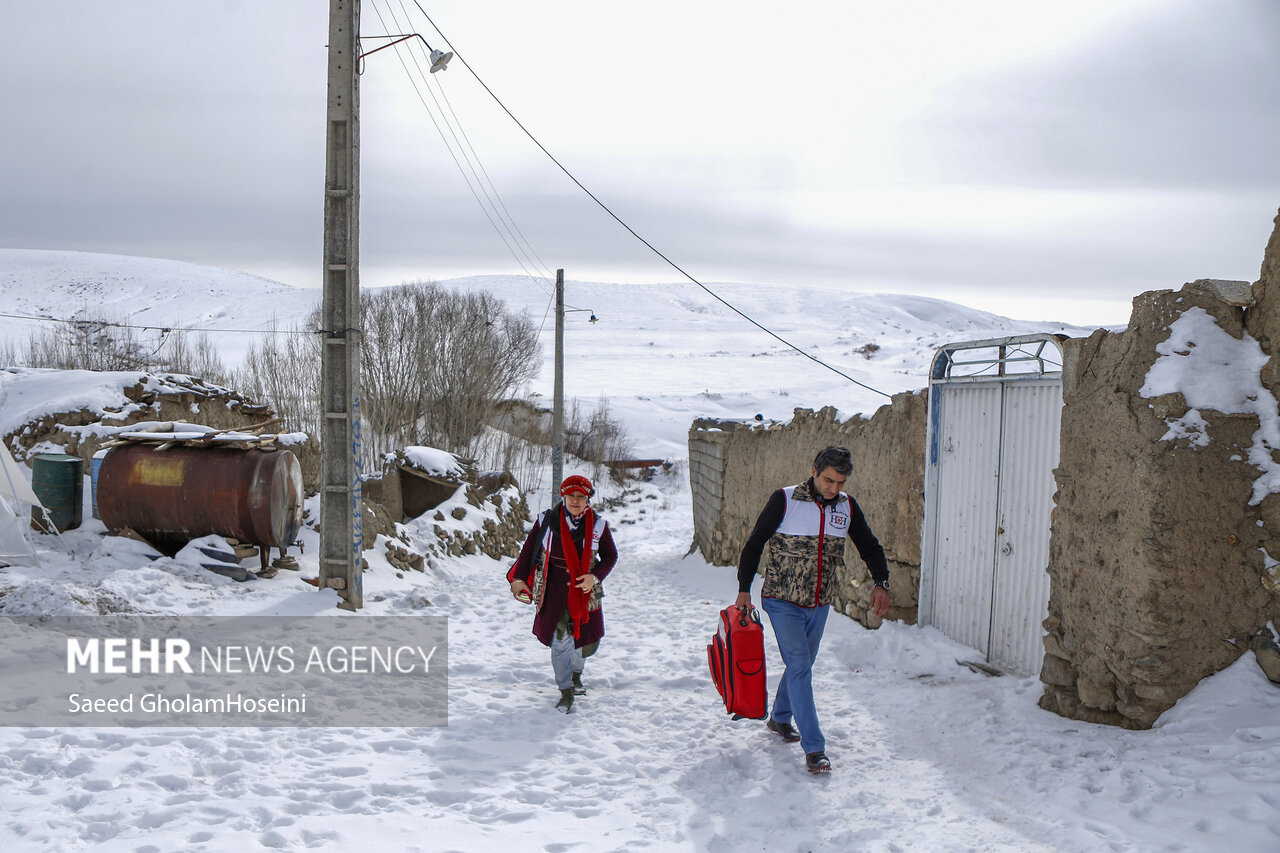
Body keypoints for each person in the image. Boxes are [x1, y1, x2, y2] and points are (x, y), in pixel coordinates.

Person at [735, 445, 890, 773]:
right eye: (829, 480)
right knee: (801, 665)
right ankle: (815, 749)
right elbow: (754, 543)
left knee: (800, 666)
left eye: (841, 482)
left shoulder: (847, 508)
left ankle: (779, 718)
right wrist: (744, 589)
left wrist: (882, 581)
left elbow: (870, 546)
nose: (834, 488)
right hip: (781, 600)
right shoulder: (786, 499)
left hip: (819, 603)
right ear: (814, 471)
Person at [508, 474, 618, 713]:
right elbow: (528, 553)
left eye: (581, 496)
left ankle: (576, 673)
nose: (576, 501)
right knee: (560, 643)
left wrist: (595, 575)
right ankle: (566, 690)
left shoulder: (599, 526)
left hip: (585, 593)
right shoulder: (546, 522)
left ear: (588, 499)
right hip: (554, 592)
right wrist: (518, 579)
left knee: (587, 644)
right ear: (564, 496)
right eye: (571, 496)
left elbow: (610, 556)